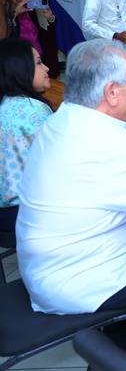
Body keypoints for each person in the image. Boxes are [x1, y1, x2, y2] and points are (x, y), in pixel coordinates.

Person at [16, 39, 126, 315]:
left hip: (50, 267)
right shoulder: (110, 144)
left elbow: (119, 172)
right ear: (112, 92)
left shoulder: (64, 119)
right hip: (91, 277)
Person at [0, 38, 52, 233]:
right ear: (19, 69)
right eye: (39, 63)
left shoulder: (5, 103)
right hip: (29, 211)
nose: (46, 68)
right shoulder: (33, 110)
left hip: (6, 211)